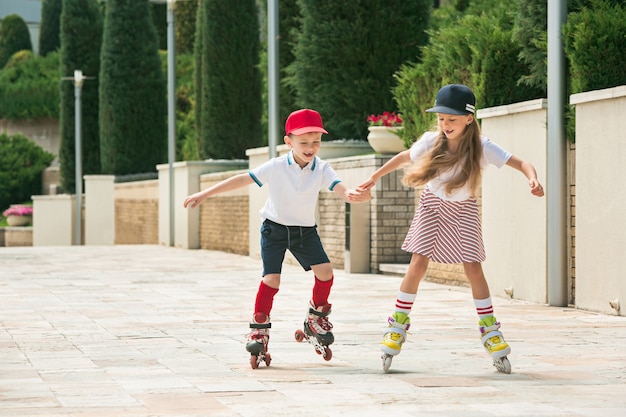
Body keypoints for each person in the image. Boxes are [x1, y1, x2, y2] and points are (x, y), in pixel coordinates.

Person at [358, 84, 544, 371]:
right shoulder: (432, 141)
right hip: (431, 205)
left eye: (452, 120)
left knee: (473, 266)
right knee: (417, 264)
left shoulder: (483, 147)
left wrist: (532, 179)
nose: (445, 125)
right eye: (442, 119)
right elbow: (404, 157)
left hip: (464, 209)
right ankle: (397, 325)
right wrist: (374, 177)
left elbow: (520, 162)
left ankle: (490, 330)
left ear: (469, 118)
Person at [183, 109, 371, 367]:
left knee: (326, 272)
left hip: (305, 231)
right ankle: (259, 328)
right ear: (289, 141)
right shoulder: (277, 166)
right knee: (271, 278)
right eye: (303, 142)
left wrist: (350, 194)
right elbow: (242, 179)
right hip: (274, 229)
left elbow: (339, 186)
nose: (310, 147)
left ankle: (315, 317)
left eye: (315, 141)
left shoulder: (322, 168)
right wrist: (205, 193)